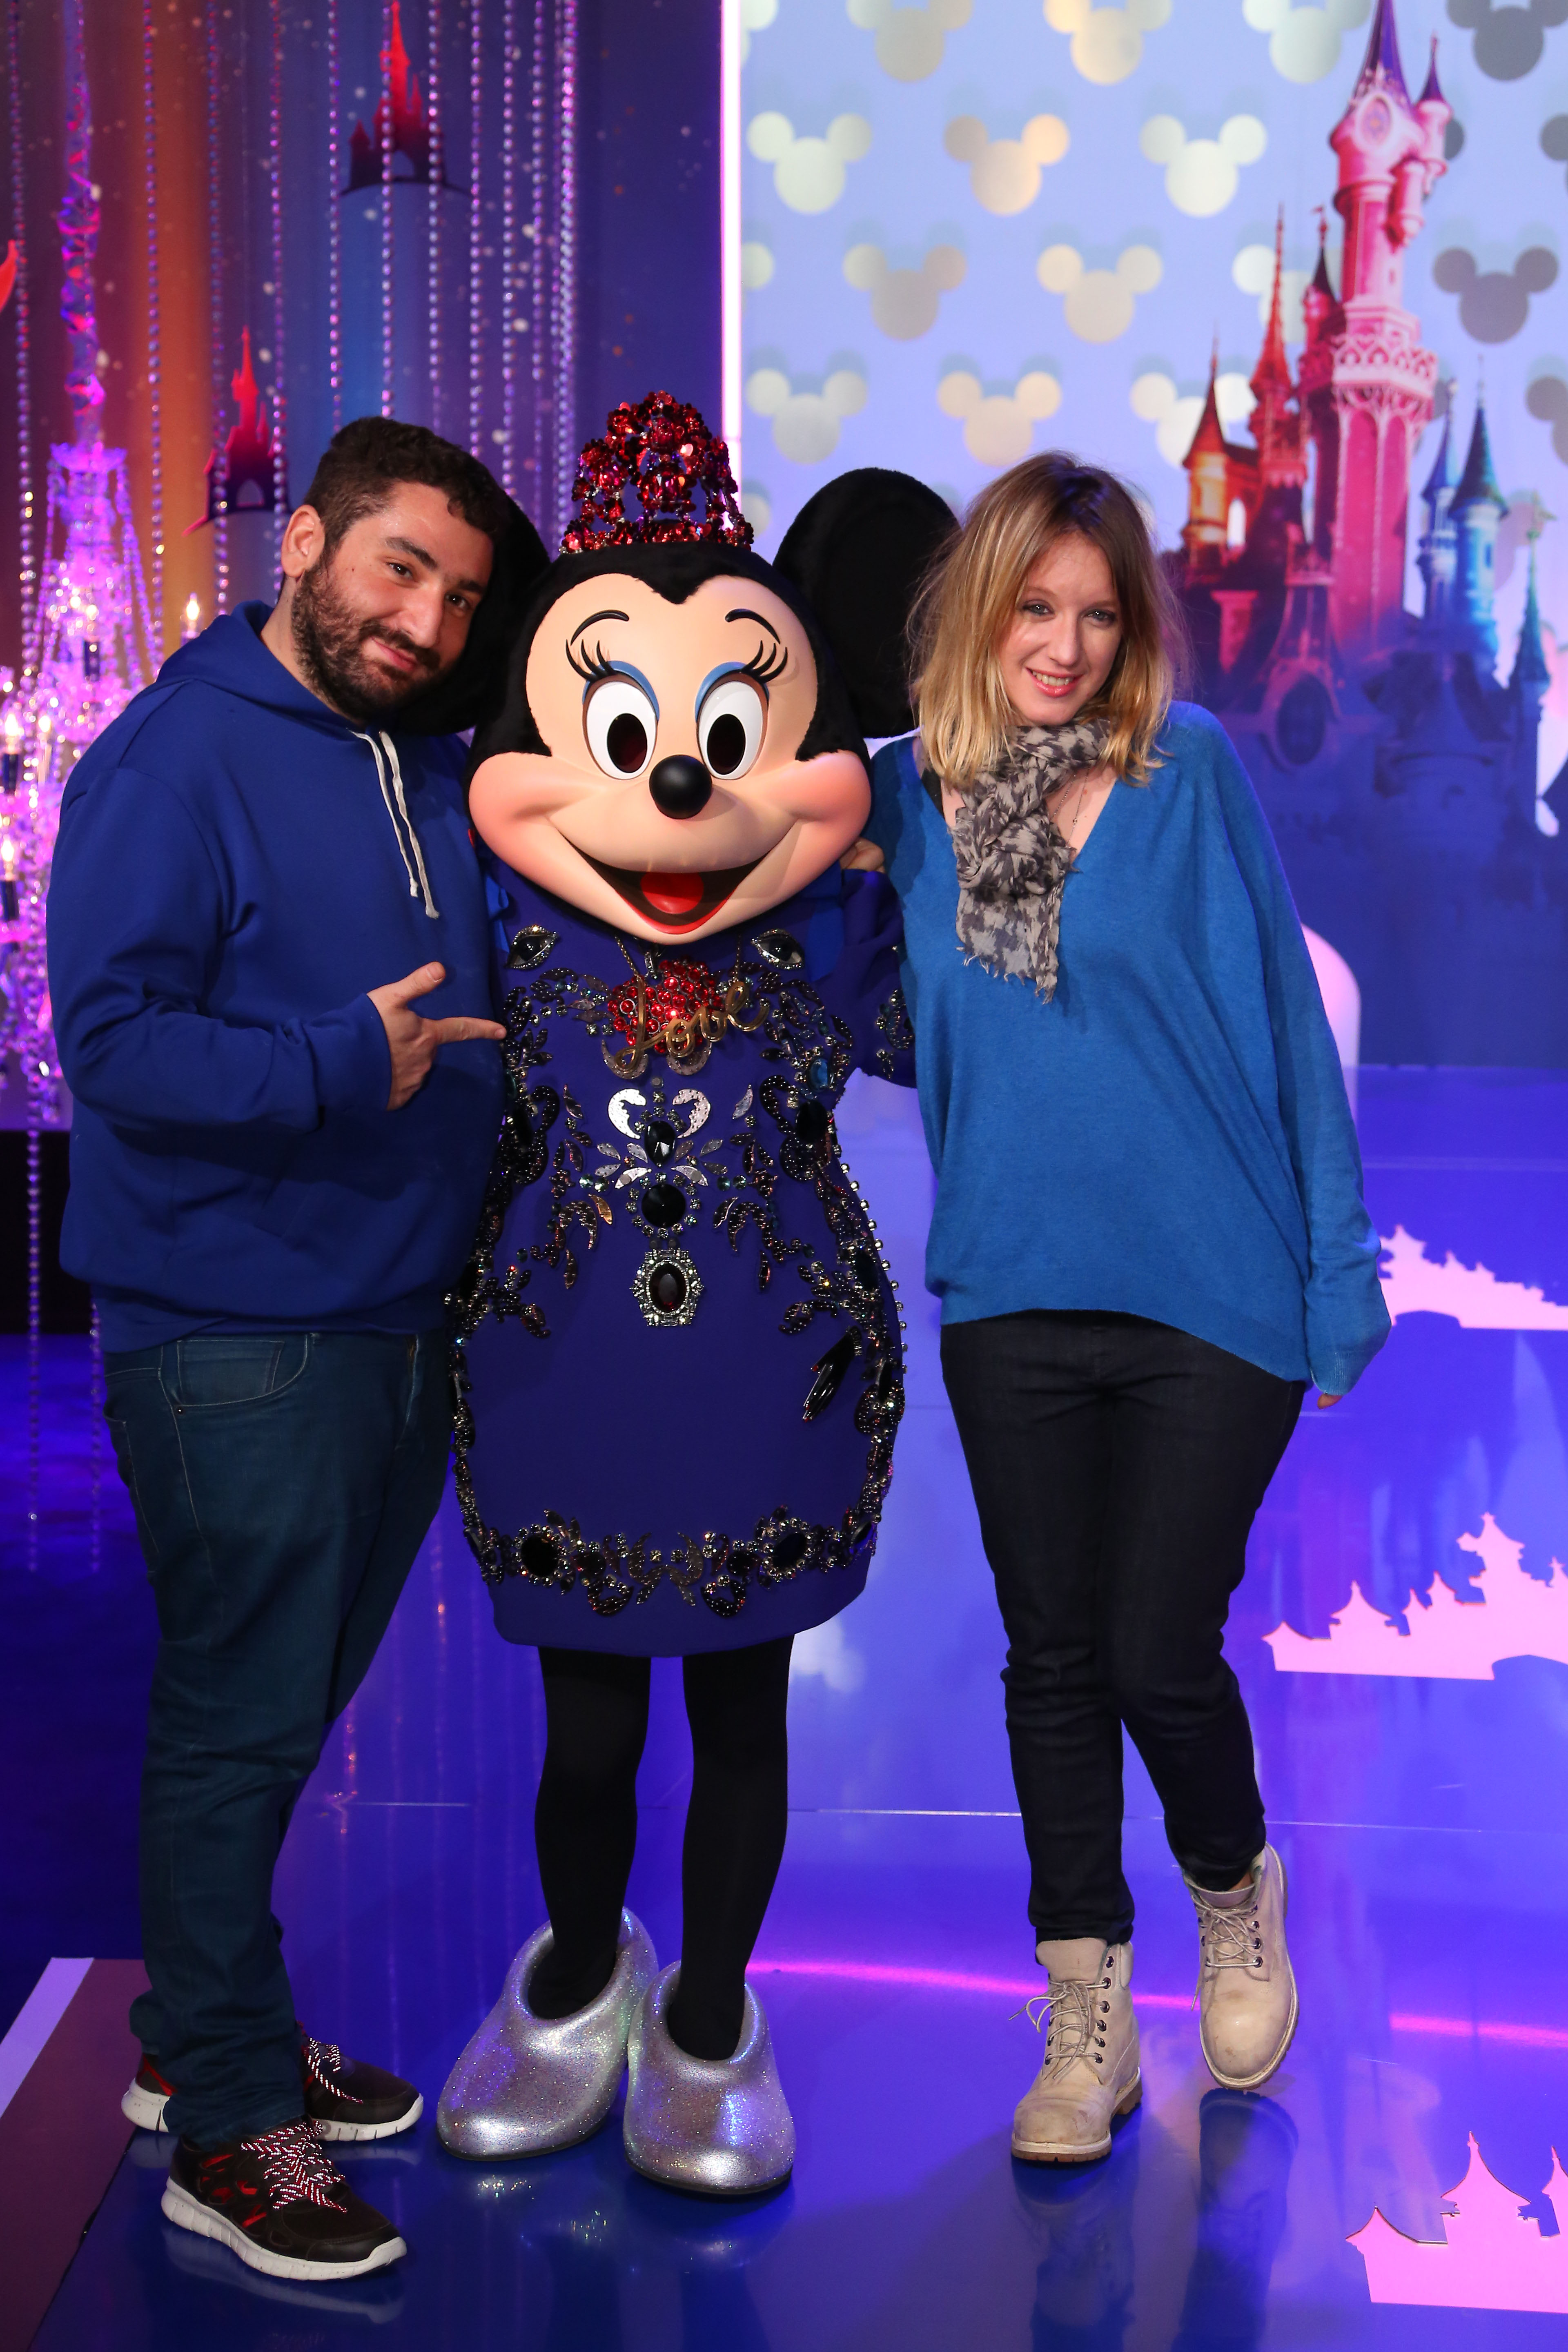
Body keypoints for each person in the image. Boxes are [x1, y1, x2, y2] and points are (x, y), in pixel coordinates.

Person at [47, 416, 546, 2281]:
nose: (427, 620)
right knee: (241, 1715)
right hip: (235, 1332)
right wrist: (342, 1063)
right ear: (308, 547)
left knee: (284, 1712)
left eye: (462, 597)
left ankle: (206, 2029)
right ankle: (229, 2128)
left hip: (389, 1319)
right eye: (400, 569)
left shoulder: (418, 751)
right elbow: (111, 1041)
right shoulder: (174, 755)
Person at [431, 399, 941, 2194]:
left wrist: (920, 854)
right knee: (583, 1729)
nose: (674, 785)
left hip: (772, 1371)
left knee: (740, 1713)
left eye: (723, 734)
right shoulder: (500, 911)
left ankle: (713, 2009)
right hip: (558, 1366)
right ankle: (581, 1972)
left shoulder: (828, 913)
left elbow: (931, 1044)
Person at [862, 452, 1390, 2165]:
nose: (1067, 647)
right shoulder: (917, 792)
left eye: (1099, 616)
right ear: (981, 606)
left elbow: (1287, 1027)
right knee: (1055, 1657)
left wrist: (1337, 1272)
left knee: (1160, 1645)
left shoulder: (1186, 768)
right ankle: (1085, 2011)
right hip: (1014, 1288)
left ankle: (1233, 1890)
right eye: (1035, 608)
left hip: (1211, 1292)